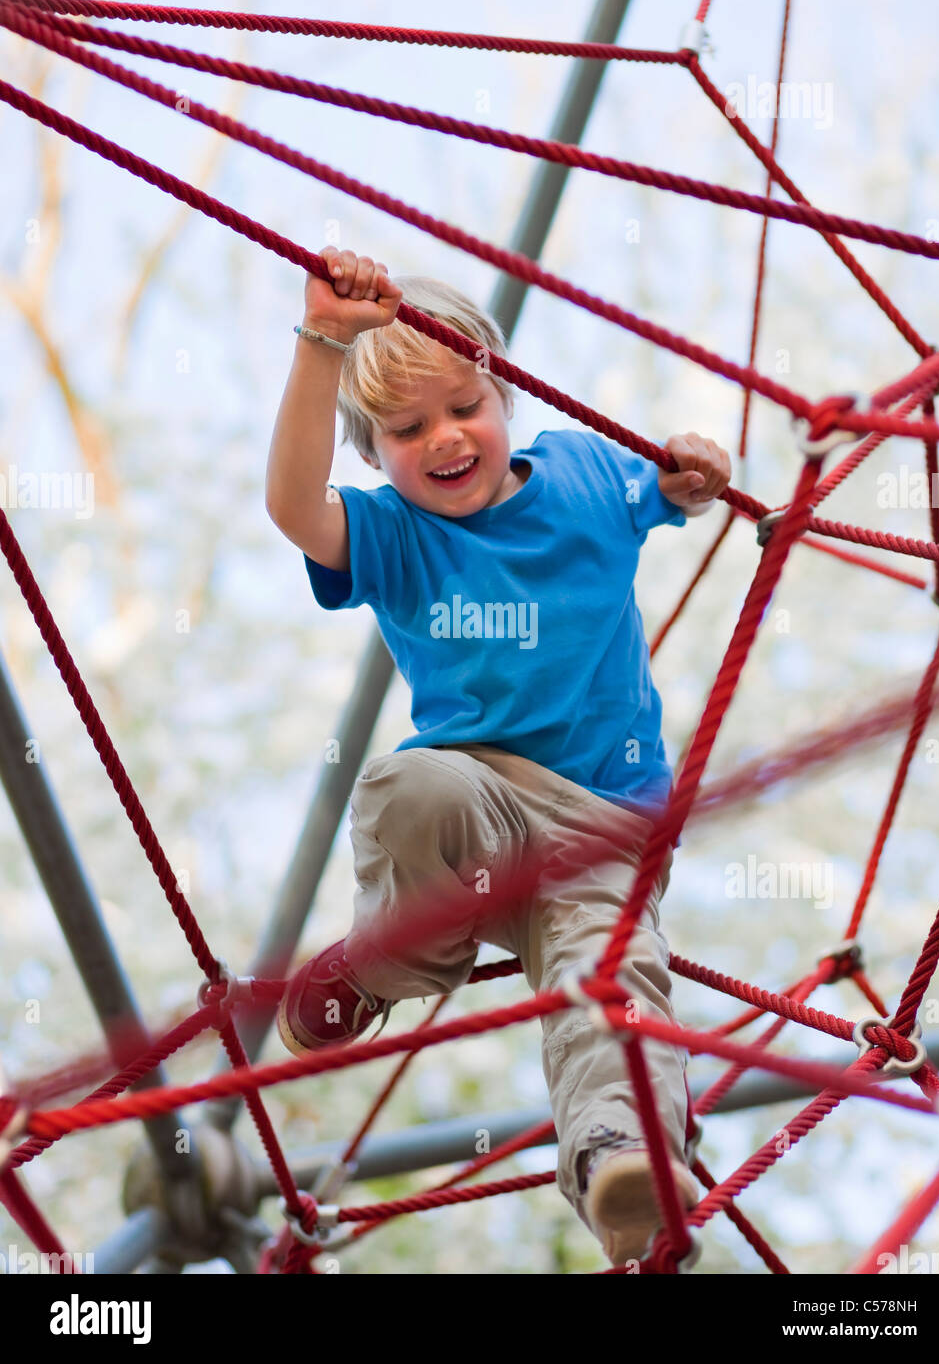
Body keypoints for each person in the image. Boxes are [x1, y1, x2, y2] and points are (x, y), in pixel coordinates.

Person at [264, 247, 731, 1267]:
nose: (442, 439)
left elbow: (670, 488)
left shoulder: (581, 471)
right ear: (374, 453)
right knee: (403, 784)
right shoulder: (391, 533)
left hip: (607, 825)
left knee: (612, 981)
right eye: (404, 429)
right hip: (479, 797)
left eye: (462, 407)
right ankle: (392, 957)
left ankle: (624, 1166)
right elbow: (295, 507)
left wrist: (694, 474)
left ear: (504, 391)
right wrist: (321, 346)